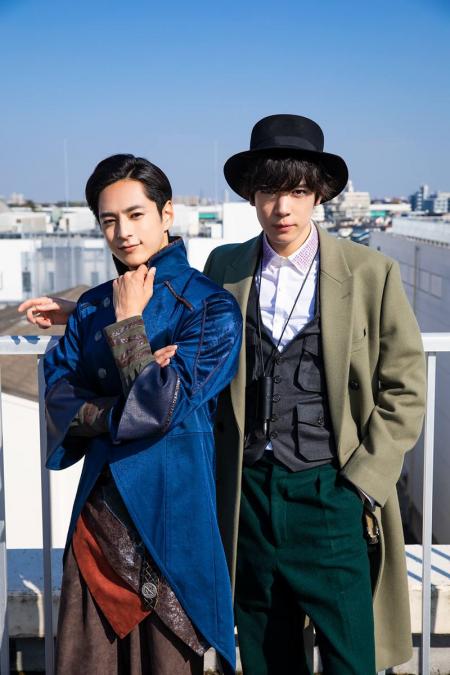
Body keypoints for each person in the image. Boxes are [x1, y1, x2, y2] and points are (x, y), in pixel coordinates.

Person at [21, 115, 427, 674]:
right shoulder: (227, 266)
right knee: (263, 646)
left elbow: (404, 385)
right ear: (252, 196)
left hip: (331, 488)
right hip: (247, 488)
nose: (282, 208)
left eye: (297, 192)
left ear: (319, 196)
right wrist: (88, 312)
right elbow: (166, 308)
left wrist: (362, 483)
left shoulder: (370, 271)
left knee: (350, 653)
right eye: (269, 191)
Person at [30, 154, 242, 675]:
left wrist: (128, 324)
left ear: (166, 214)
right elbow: (58, 399)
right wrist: (124, 404)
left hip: (175, 512)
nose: (123, 232)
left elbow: (160, 408)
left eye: (136, 214)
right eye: (109, 220)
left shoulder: (211, 308)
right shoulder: (91, 306)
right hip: (99, 518)